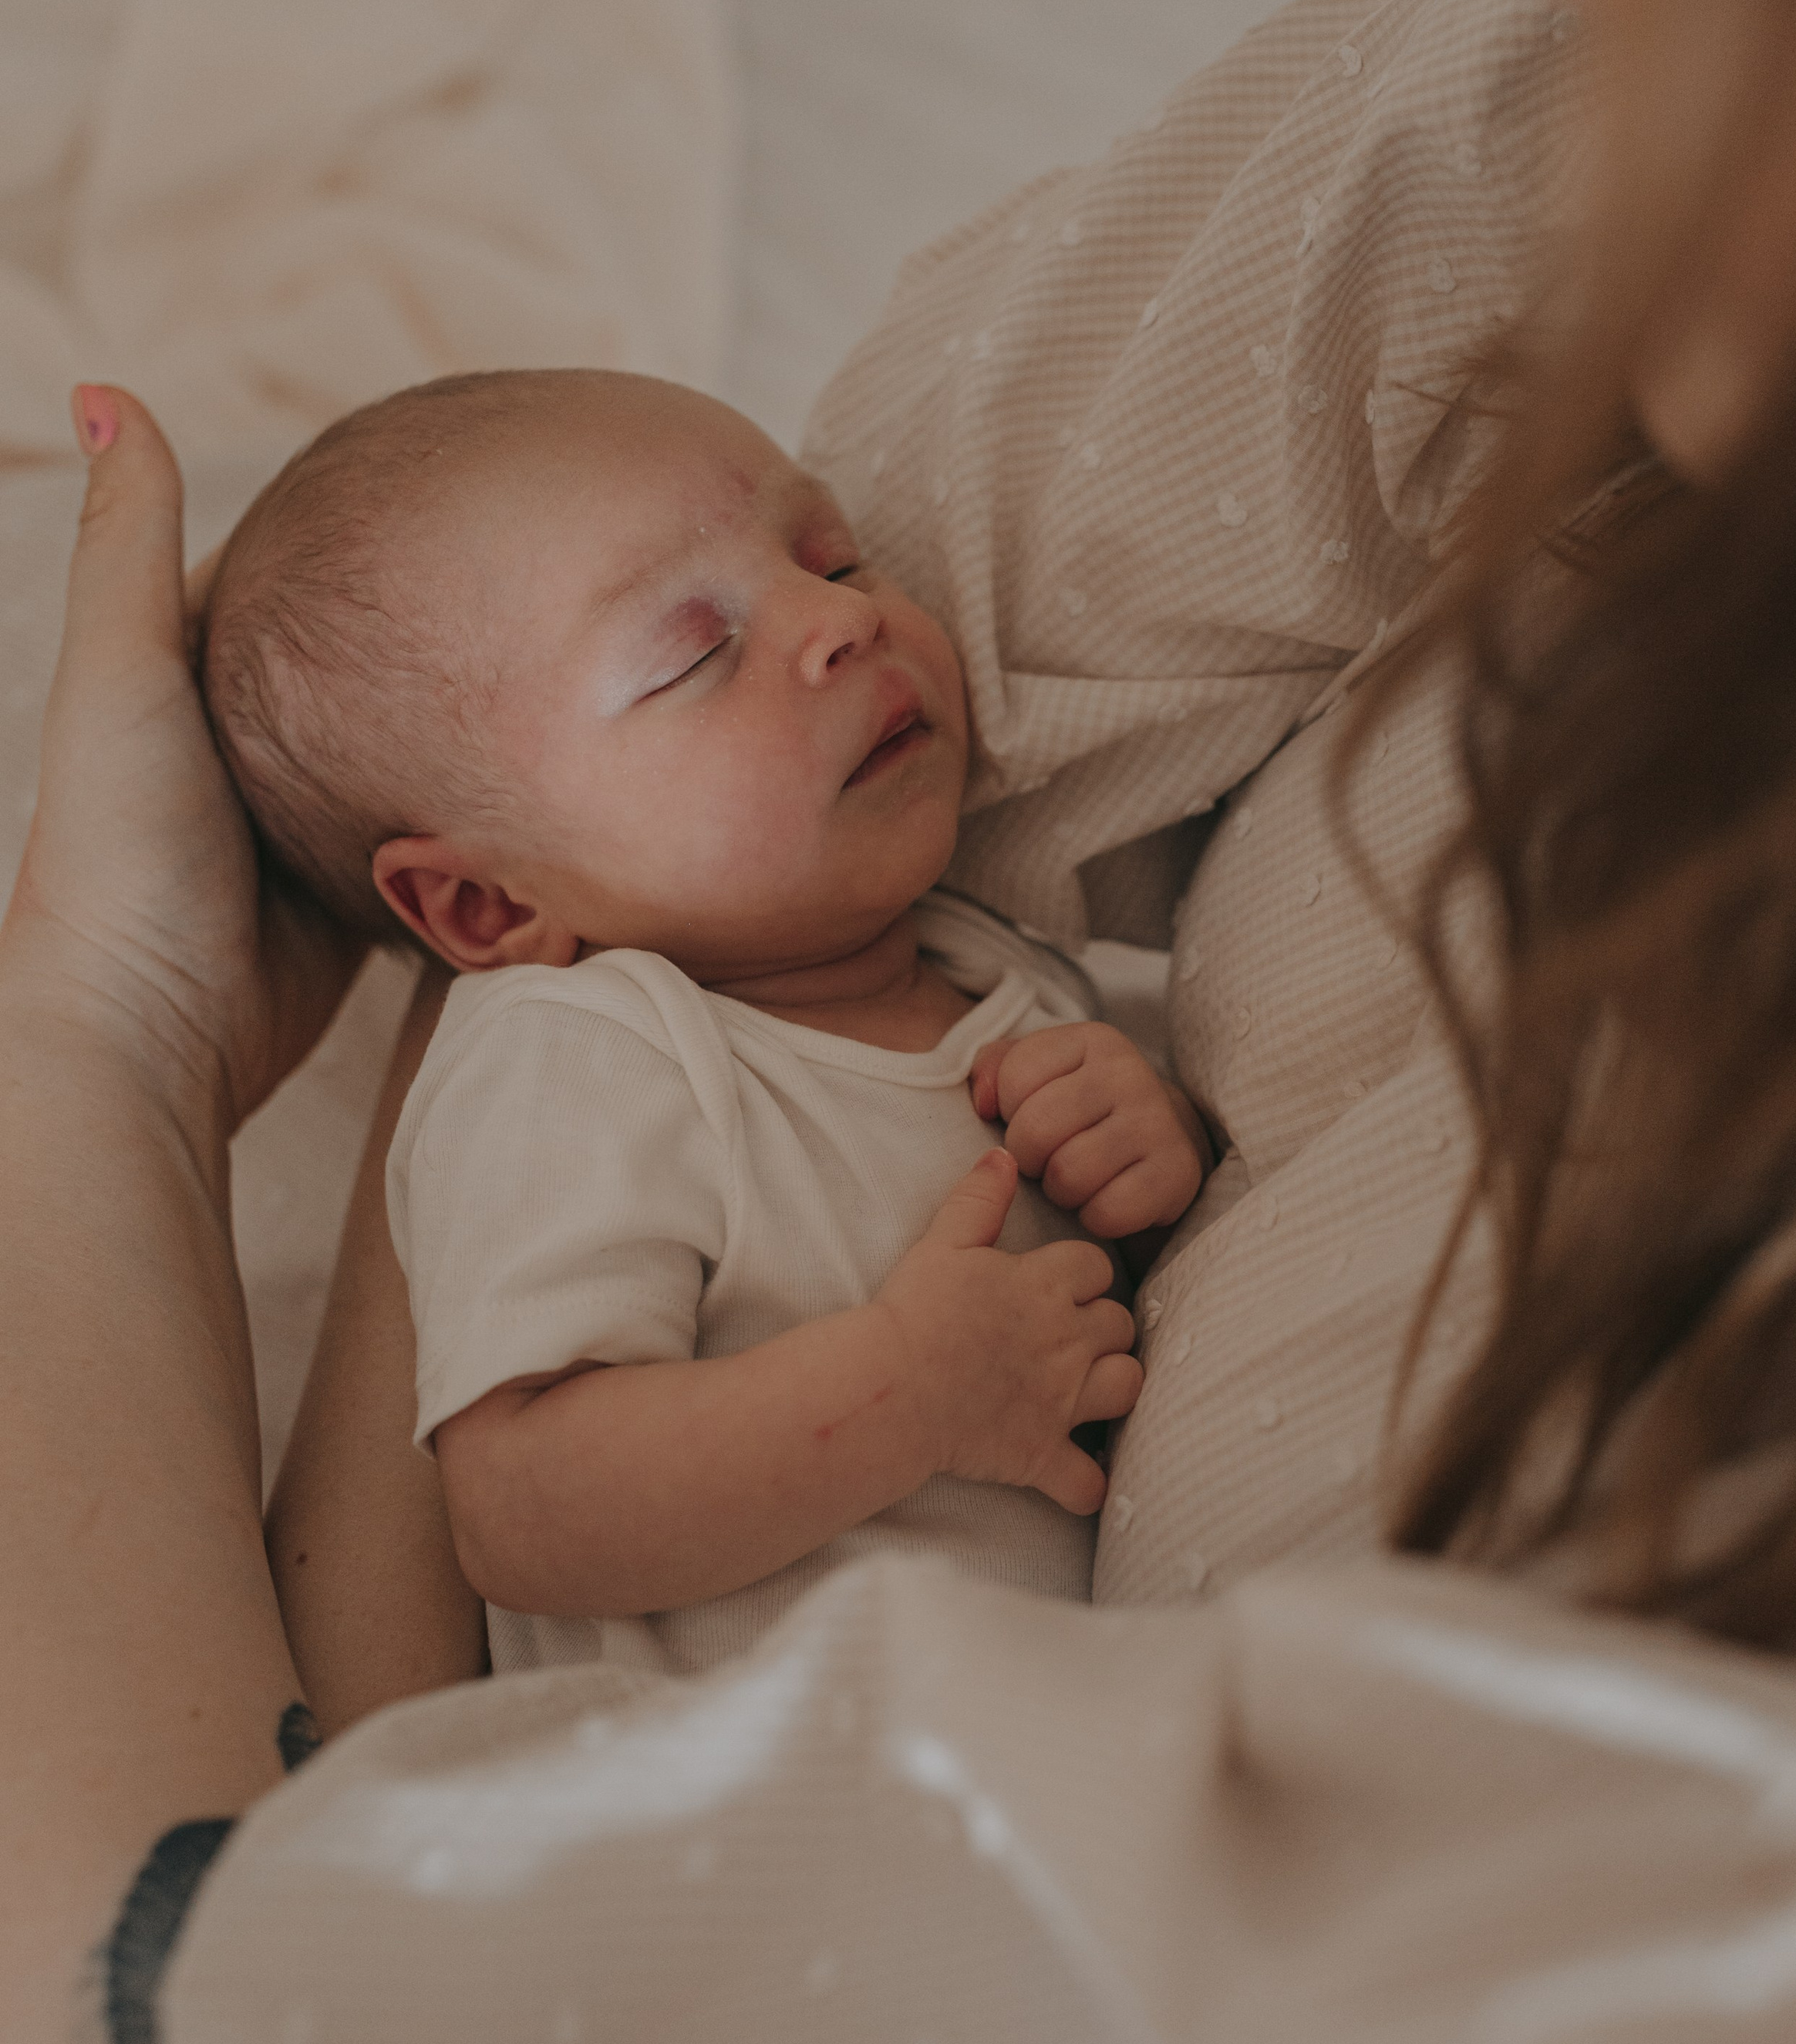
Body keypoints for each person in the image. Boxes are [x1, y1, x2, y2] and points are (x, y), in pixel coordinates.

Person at [3, 0, 1796, 2044]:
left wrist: (101, 1060)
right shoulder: (624, 1026)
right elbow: (536, 1466)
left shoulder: (1772, 1925)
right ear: (478, 911)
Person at [200, 369, 1196, 1673]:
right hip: (723, 1796)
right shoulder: (580, 1057)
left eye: (833, 556)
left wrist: (1146, 1136)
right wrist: (904, 1395)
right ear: (487, 909)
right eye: (694, 654)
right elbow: (527, 1511)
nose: (838, 621)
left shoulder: (995, 966)